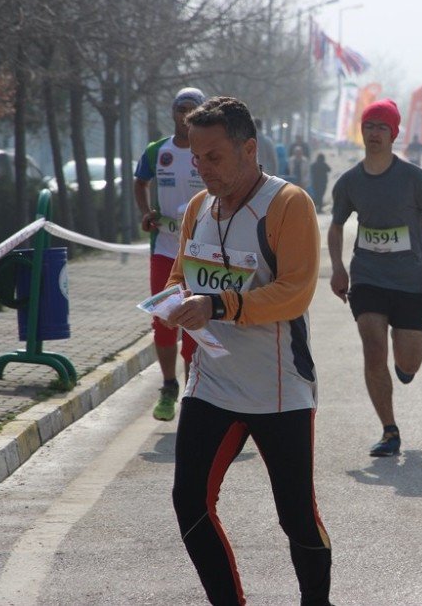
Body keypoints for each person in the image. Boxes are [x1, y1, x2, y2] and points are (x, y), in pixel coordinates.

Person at [163, 96, 331, 606]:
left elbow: (295, 292)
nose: (202, 168)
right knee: (189, 503)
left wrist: (218, 305)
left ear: (248, 148)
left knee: (296, 515)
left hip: (277, 387)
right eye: (196, 158)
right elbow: (179, 278)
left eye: (213, 157)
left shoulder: (288, 204)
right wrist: (173, 303)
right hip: (210, 381)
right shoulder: (199, 208)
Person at [328, 99, 422, 458]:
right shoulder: (350, 181)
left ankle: (404, 367)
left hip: (412, 281)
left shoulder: (414, 178)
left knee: (408, 361)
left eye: (382, 127)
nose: (375, 133)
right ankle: (389, 430)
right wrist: (338, 266)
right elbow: (336, 225)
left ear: (394, 134)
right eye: (369, 126)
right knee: (372, 348)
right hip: (368, 278)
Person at [134, 86, 207, 421]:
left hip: (201, 251)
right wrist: (146, 211)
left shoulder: (209, 149)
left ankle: (194, 389)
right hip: (164, 248)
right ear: (174, 113)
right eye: (181, 108)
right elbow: (140, 181)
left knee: (195, 321)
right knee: (164, 320)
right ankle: (168, 385)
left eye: (193, 108)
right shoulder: (156, 151)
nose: (185, 114)